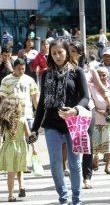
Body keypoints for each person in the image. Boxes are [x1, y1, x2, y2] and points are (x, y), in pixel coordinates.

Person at [29, 39, 89, 205]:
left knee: (75, 162)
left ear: (67, 53)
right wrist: (34, 129)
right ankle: (63, 198)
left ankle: (76, 199)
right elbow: (42, 103)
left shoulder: (77, 72)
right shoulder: (46, 73)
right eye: (53, 53)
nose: (57, 56)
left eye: (60, 52)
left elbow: (85, 97)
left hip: (73, 122)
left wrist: (75, 110)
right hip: (52, 124)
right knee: (55, 162)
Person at [69, 41, 110, 189]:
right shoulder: (64, 69)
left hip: (88, 109)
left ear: (81, 53)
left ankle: (87, 177)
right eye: (69, 51)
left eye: (74, 51)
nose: (71, 54)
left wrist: (109, 102)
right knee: (73, 143)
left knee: (88, 143)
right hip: (70, 111)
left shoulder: (89, 70)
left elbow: (100, 88)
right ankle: (74, 172)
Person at [0, 98, 30, 202]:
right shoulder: (23, 120)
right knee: (20, 167)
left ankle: (10, 195)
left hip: (9, 148)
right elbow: (28, 136)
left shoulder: (5, 121)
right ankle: (21, 186)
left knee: (11, 172)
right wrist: (34, 148)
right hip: (21, 148)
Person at [90, 67, 110, 176]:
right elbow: (90, 103)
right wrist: (100, 111)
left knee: (108, 143)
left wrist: (109, 111)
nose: (101, 77)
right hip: (95, 118)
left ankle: (107, 166)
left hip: (108, 119)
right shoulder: (91, 87)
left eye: (104, 75)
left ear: (108, 76)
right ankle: (95, 160)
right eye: (99, 75)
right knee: (96, 143)